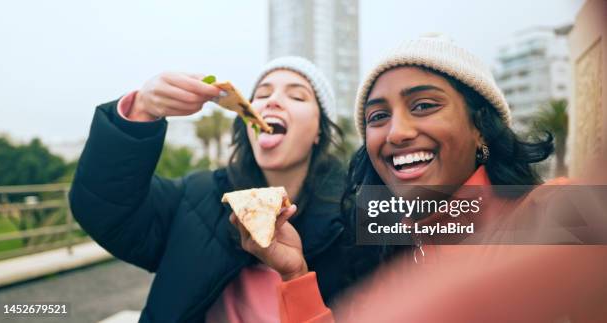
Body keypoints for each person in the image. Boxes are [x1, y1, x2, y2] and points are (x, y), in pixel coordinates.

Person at [234, 35, 607, 322]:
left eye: (424, 106)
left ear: (481, 127)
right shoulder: (389, 255)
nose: (397, 132)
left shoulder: (556, 213)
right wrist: (294, 271)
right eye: (378, 117)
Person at [68, 56, 349, 322]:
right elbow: (103, 207)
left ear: (319, 131)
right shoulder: (196, 195)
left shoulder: (359, 212)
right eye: (262, 95)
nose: (272, 101)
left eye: (297, 96)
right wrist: (141, 109)